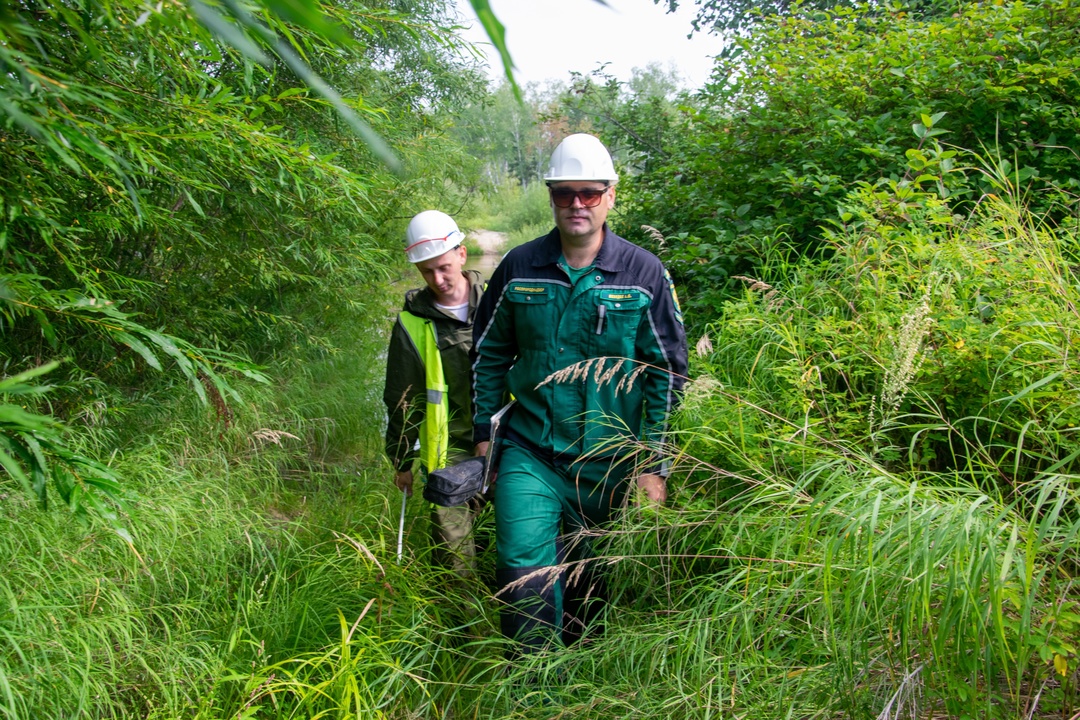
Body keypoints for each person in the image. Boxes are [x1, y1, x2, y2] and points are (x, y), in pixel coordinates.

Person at [471, 134, 688, 654]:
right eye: (564, 192)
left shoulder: (643, 274)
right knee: (525, 575)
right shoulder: (520, 268)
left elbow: (667, 372)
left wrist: (652, 465)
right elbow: (487, 353)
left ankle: (583, 685)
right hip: (531, 452)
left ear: (610, 195)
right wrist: (484, 436)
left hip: (609, 463)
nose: (576, 204)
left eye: (589, 192)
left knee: (591, 590)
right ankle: (532, 690)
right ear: (550, 195)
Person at [383, 210, 485, 577]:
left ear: (462, 253)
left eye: (443, 266)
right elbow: (401, 397)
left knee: (508, 545)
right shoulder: (411, 323)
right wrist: (401, 460)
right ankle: (463, 630)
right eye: (427, 271)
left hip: (507, 443)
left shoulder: (499, 303)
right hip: (447, 452)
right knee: (456, 558)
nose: (437, 279)